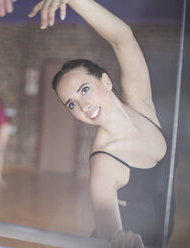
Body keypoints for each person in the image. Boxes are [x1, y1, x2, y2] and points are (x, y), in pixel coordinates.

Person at [29, 0, 175, 247]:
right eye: (72, 104)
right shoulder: (104, 162)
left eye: (85, 89)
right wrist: (120, 242)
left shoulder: (141, 103)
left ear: (106, 81)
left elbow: (123, 38)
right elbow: (110, 234)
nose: (83, 105)